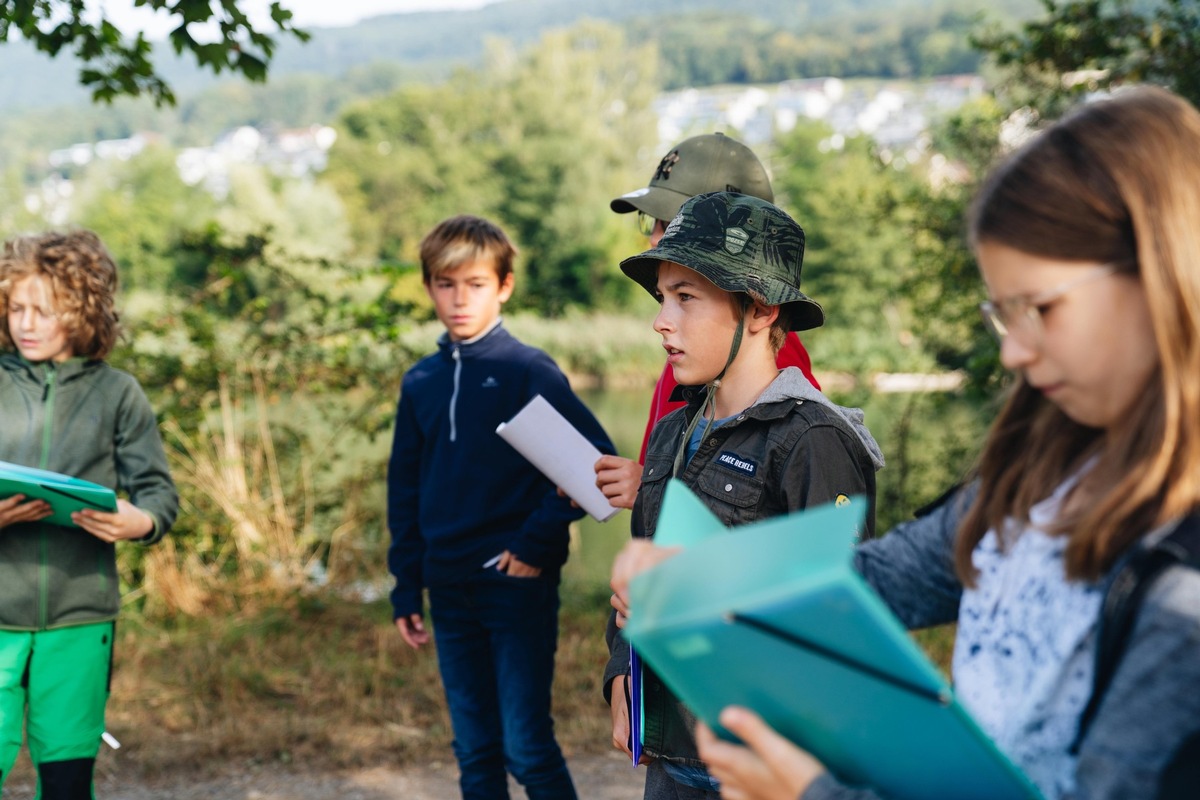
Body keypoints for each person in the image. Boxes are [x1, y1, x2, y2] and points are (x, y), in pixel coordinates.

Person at [617, 85, 1200, 800]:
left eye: (1040, 309)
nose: (1013, 353)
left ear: (1165, 286)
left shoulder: (1183, 588)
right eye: (1001, 313)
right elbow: (871, 580)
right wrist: (695, 582)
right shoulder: (1037, 477)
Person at [602, 191, 884, 800]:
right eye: (662, 298)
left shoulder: (813, 439)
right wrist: (620, 675)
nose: (661, 321)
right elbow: (638, 578)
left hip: (763, 766)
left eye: (687, 299)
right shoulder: (673, 429)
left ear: (758, 311)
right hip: (670, 752)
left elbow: (840, 621)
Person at [386, 214, 615, 800]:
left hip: (515, 584)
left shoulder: (525, 370)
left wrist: (535, 543)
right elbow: (406, 488)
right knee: (475, 752)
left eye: (476, 284)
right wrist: (407, 584)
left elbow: (593, 466)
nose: (460, 299)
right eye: (445, 284)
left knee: (527, 749)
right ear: (430, 287)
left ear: (504, 286)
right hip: (447, 586)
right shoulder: (422, 382)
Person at [0, 230, 179, 798]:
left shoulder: (119, 394)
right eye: (16, 308)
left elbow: (158, 495)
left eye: (45, 311)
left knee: (69, 779)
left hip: (81, 618)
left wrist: (139, 522)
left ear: (83, 313)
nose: (26, 323)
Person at [597, 132, 822, 510]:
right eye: (651, 222)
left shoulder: (769, 361)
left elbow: (766, 503)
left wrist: (653, 493)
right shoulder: (696, 345)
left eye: (670, 222)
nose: (654, 239)